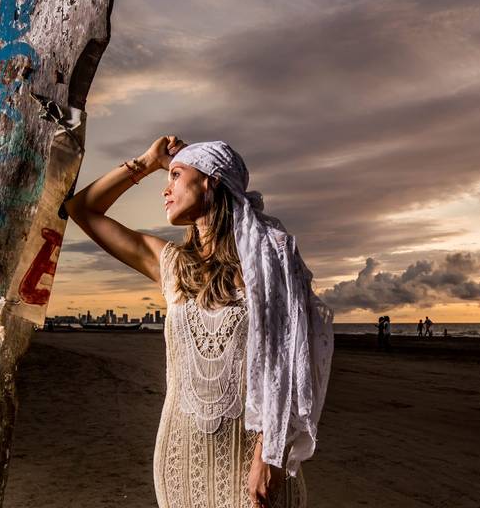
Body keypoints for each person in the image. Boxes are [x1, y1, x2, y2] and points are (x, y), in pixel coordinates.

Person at [65, 137, 333, 508]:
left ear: (211, 181)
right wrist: (147, 161)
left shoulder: (272, 264)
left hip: (255, 467)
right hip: (180, 461)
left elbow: (290, 366)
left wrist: (268, 454)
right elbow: (83, 210)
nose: (166, 187)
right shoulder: (172, 265)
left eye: (176, 175)